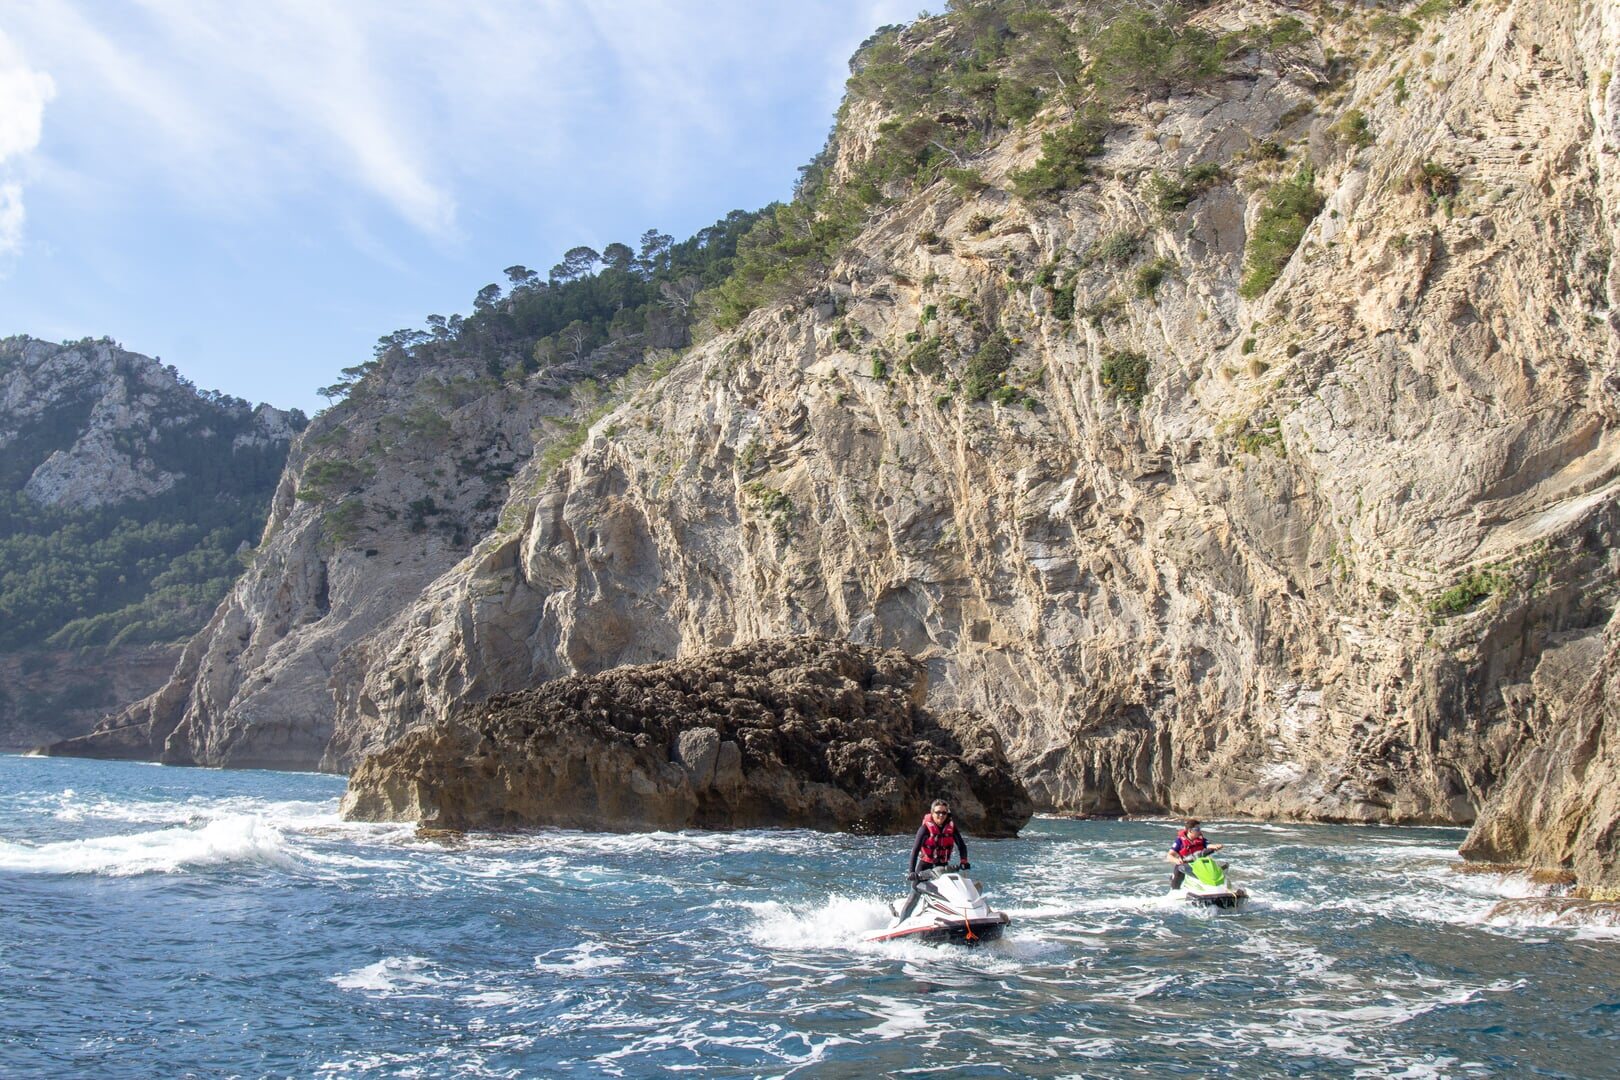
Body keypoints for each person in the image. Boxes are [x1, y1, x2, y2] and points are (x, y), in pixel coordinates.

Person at [896, 800, 969, 920]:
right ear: (932, 813)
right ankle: (901, 922)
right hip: (925, 867)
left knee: (950, 894)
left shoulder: (951, 828)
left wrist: (964, 861)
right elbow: (915, 850)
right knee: (915, 895)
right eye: (938, 812)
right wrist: (911, 872)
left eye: (944, 813)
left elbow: (962, 846)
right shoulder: (925, 829)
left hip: (942, 868)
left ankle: (954, 918)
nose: (941, 815)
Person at [1167, 819, 1223, 890]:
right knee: (1180, 868)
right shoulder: (1179, 842)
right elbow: (1169, 855)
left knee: (1220, 867)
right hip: (1186, 866)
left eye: (1200, 829)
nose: (1200, 831)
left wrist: (1215, 846)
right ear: (1190, 830)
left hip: (1200, 865)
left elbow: (1209, 845)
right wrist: (1176, 860)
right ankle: (1175, 890)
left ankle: (1218, 887)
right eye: (1197, 829)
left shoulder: (1202, 840)